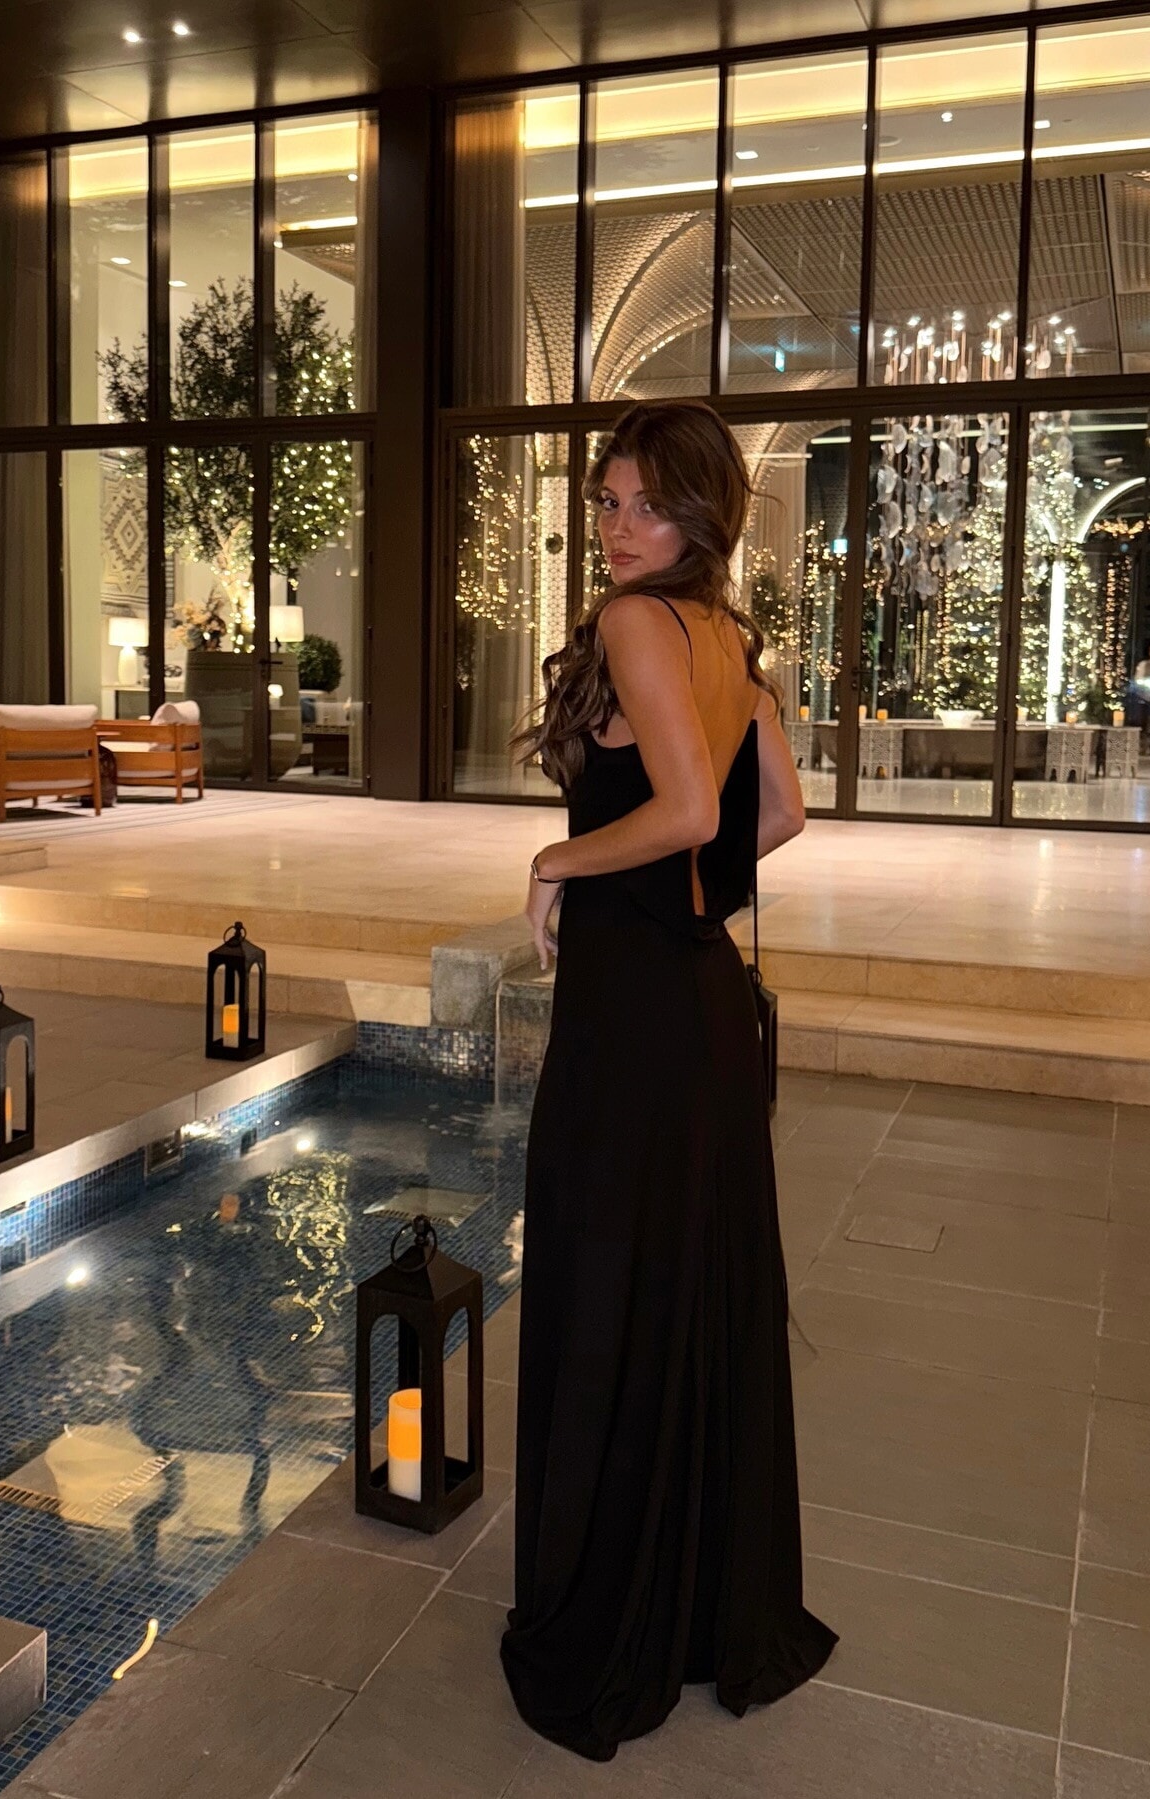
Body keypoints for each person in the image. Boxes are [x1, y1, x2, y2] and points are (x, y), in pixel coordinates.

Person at [501, 399, 837, 1761]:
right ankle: (699, 1603)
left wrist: (558, 863)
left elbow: (694, 811)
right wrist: (690, 899)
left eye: (646, 504)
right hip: (698, 1002)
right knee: (683, 1290)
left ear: (701, 514)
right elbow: (780, 812)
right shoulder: (723, 637)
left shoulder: (639, 623)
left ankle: (610, 1614)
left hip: (636, 1013)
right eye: (606, 500)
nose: (618, 526)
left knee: (608, 1282)